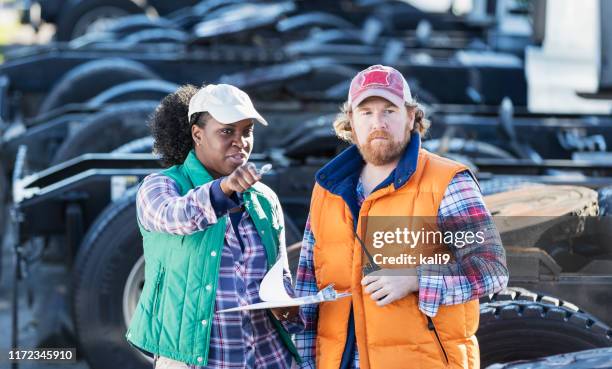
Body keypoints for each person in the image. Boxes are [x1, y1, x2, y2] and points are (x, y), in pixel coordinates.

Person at [294, 65, 509, 369]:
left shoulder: (447, 182)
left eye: (389, 111)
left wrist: (415, 278)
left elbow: (491, 269)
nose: (377, 122)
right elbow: (308, 290)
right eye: (365, 112)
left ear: (411, 118)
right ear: (351, 122)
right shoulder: (327, 191)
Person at [126, 84, 303, 369]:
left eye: (247, 131)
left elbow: (279, 279)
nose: (241, 141)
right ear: (198, 134)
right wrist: (223, 189)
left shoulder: (264, 199)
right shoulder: (161, 186)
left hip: (268, 359)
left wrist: (287, 307)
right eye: (227, 131)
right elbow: (176, 216)